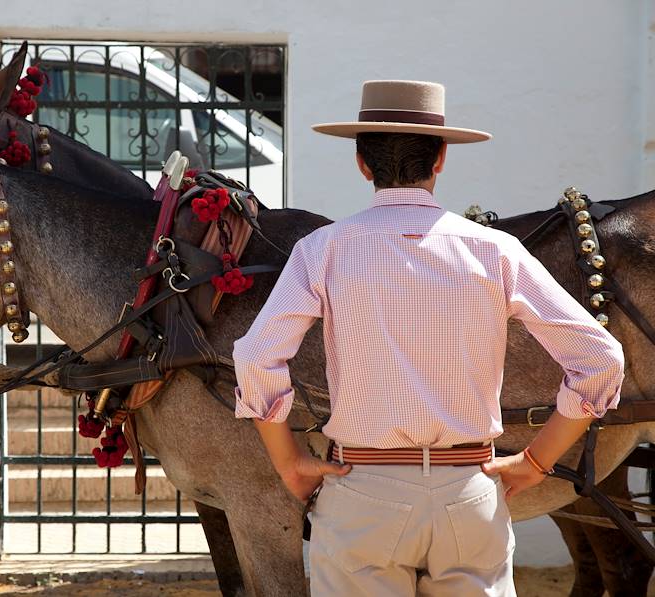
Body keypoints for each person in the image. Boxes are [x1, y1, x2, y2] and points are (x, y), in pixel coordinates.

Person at [231, 80, 625, 596]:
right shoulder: (495, 251)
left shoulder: (321, 250)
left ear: (361, 163)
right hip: (469, 491)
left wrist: (289, 463)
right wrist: (535, 463)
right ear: (440, 159)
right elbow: (601, 359)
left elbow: (258, 356)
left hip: (361, 492)